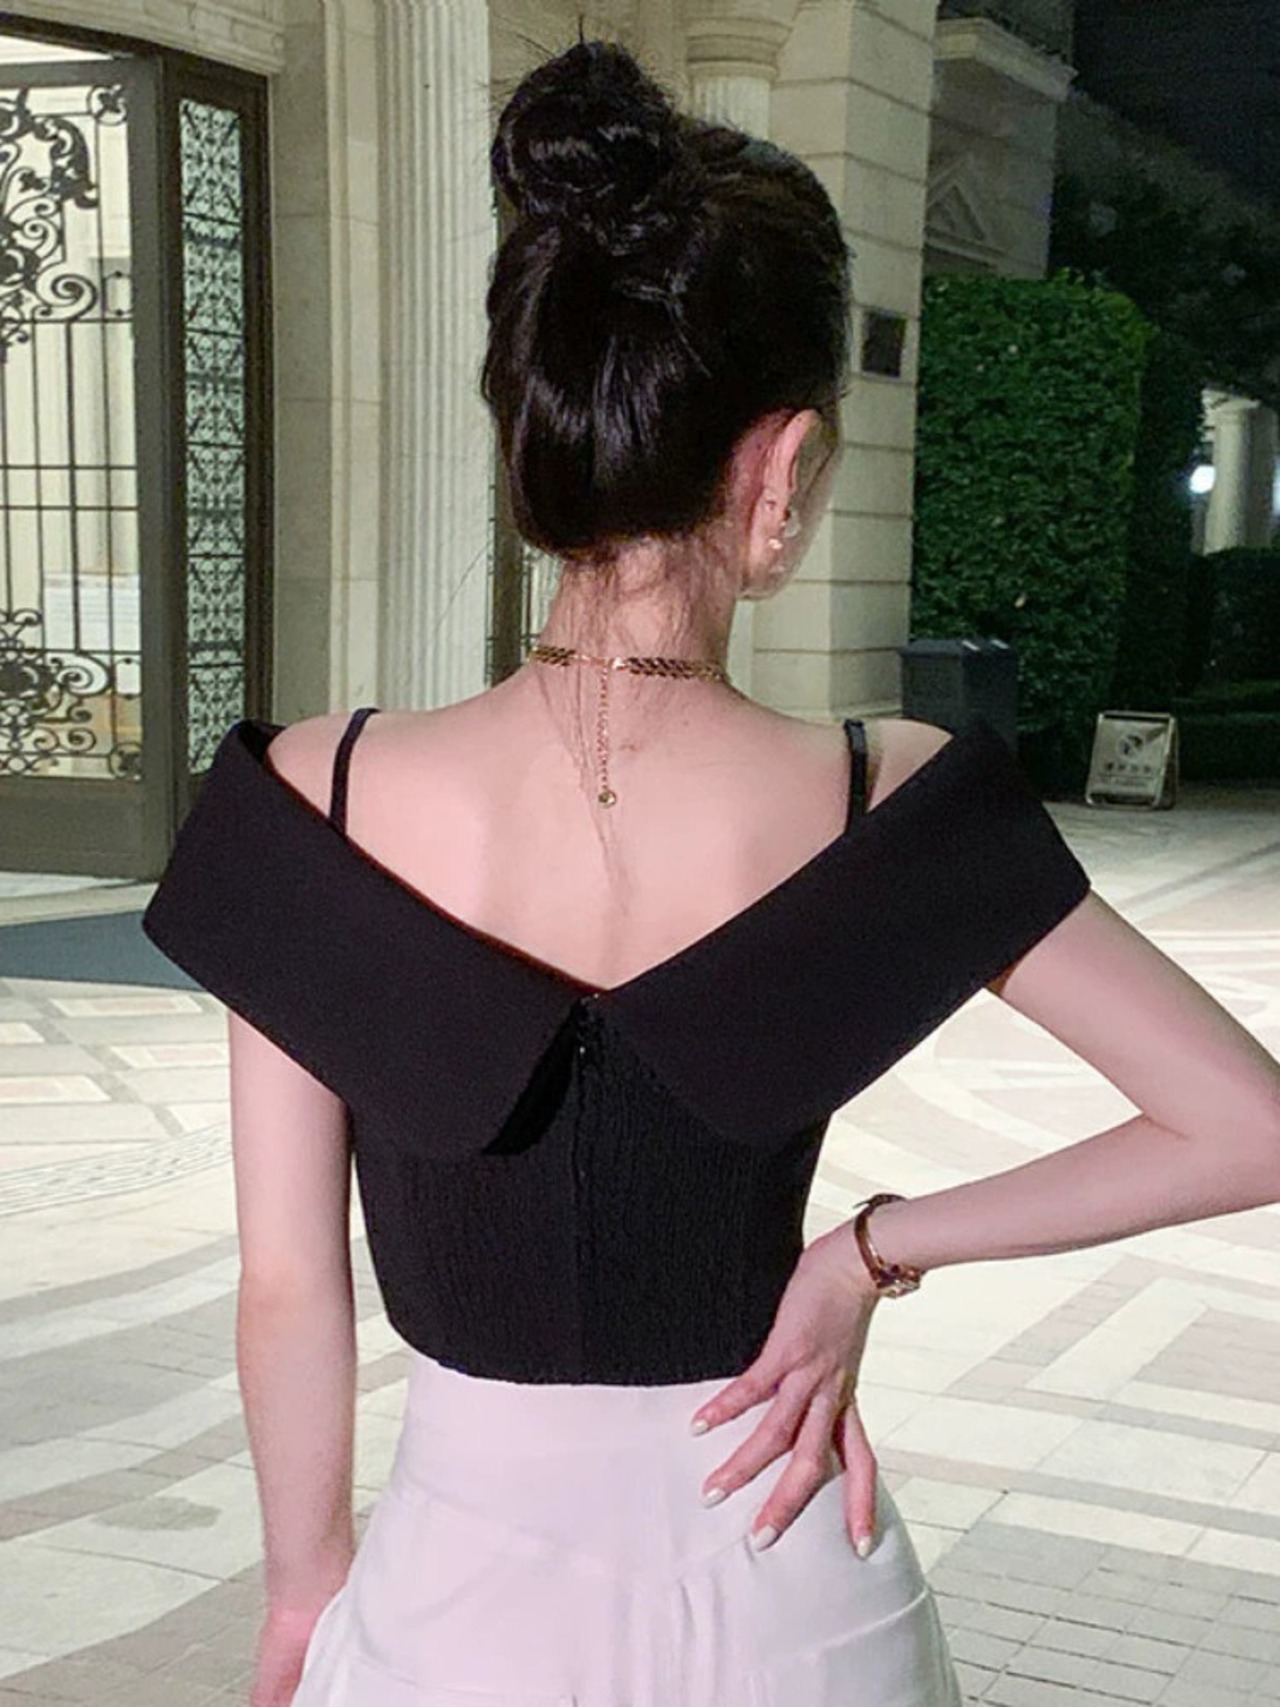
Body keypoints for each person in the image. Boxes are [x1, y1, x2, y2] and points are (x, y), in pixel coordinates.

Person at [140, 37, 1280, 1707]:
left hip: (457, 1606)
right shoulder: (886, 799)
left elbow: (290, 1285)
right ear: (783, 467)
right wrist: (870, 1250)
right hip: (793, 1584)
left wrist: (307, 1590)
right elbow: (1251, 1127)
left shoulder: (319, 795)